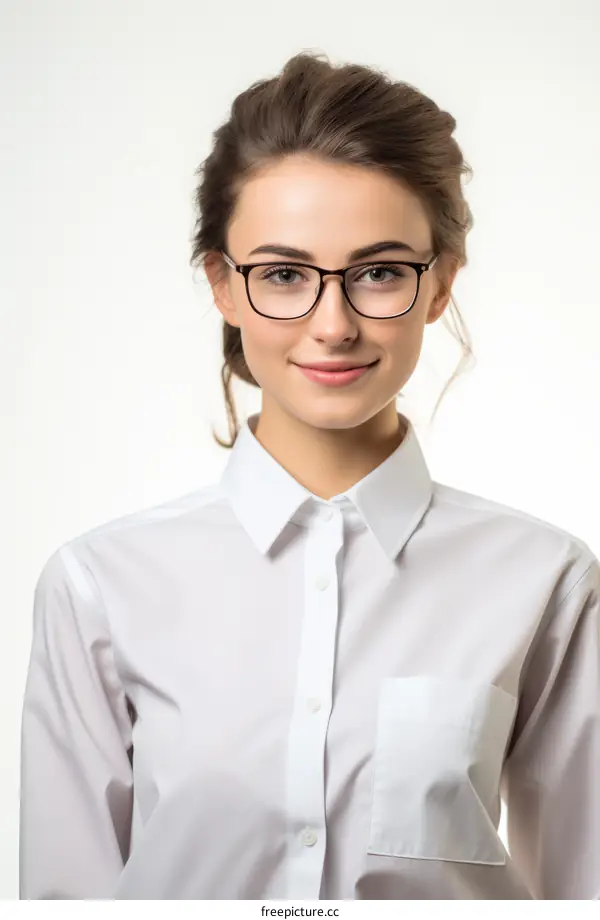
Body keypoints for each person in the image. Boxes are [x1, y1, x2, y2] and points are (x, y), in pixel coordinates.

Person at [19, 50, 599, 901]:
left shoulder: (543, 581)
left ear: (439, 285)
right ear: (222, 282)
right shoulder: (100, 587)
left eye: (379, 272)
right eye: (284, 274)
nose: (333, 324)